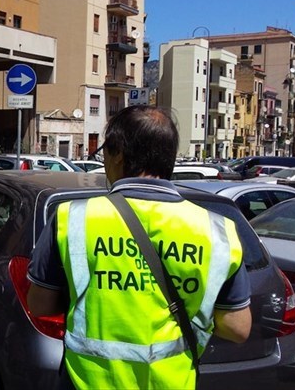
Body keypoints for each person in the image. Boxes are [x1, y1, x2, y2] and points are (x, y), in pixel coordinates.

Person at [27, 105, 251, 390]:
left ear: (118, 152)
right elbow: (238, 328)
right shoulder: (217, 230)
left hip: (86, 382)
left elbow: (39, 303)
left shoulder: (72, 218)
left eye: (105, 150)